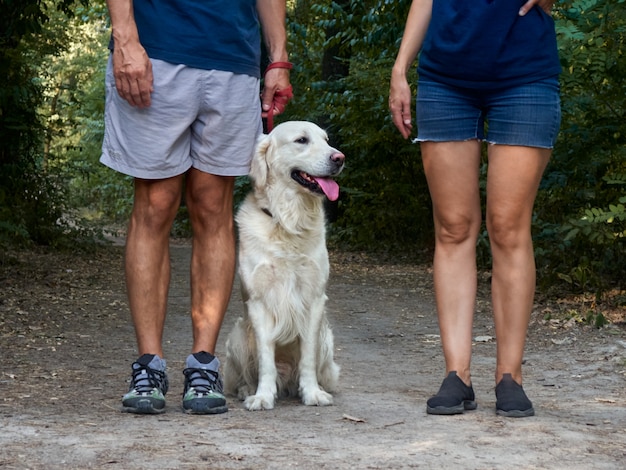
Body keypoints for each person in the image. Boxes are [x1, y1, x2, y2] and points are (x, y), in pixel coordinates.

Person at [101, 0, 291, 415]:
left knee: (212, 206)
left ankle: (203, 365)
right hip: (155, 51)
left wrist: (278, 58)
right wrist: (125, 39)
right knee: (155, 204)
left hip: (234, 58)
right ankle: (148, 366)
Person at [389, 0, 561, 417]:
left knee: (508, 227)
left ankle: (510, 377)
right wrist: (400, 69)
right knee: (453, 226)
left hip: (526, 75)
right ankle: (456, 374)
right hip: (445, 78)